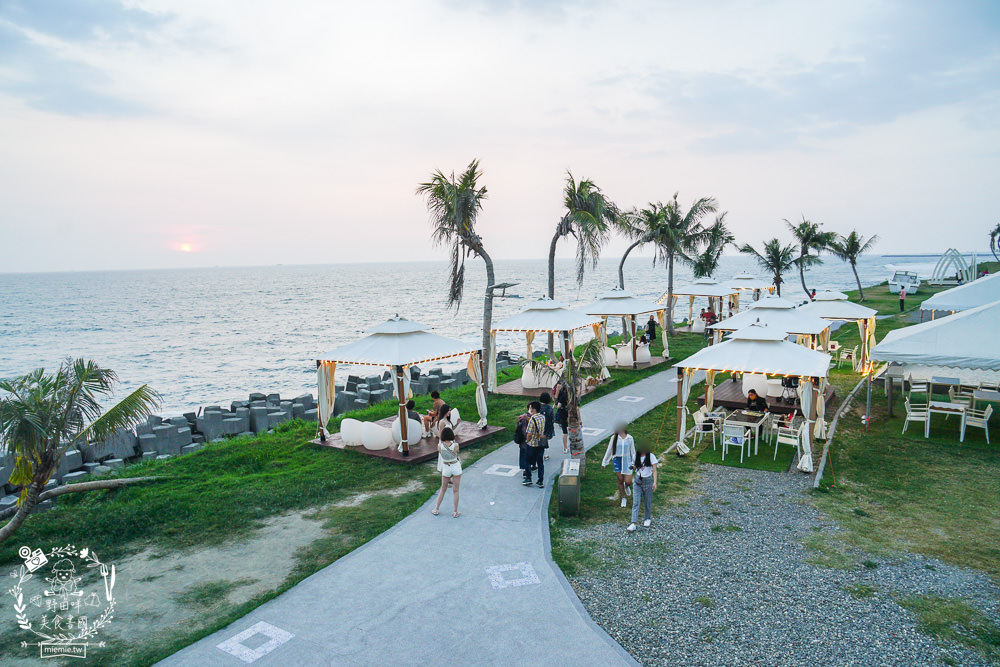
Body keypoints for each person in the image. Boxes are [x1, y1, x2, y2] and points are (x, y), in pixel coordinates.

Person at [601, 425, 635, 508]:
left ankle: (627, 486)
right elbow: (609, 450)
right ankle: (623, 498)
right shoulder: (614, 438)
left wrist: (634, 462)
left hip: (627, 460)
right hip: (617, 460)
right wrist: (604, 461)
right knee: (620, 479)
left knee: (628, 481)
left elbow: (633, 451)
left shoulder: (630, 438)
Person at [627, 444, 658, 532]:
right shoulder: (635, 456)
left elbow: (654, 470)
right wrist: (633, 467)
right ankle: (633, 523)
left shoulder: (651, 457)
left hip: (648, 481)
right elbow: (635, 467)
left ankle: (647, 518)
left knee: (647, 501)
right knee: (636, 502)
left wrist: (655, 482)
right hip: (637, 481)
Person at [432, 426, 462, 517]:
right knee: (456, 490)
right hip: (455, 466)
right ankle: (455, 511)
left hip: (446, 467)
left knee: (443, 489)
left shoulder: (440, 446)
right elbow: (457, 452)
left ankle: (436, 508)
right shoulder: (455, 445)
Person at [522, 401, 546, 487]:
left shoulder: (532, 419)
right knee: (540, 462)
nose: (530, 409)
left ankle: (528, 478)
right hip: (541, 443)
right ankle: (540, 481)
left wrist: (527, 441)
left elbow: (529, 434)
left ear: (534, 409)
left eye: (531, 408)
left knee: (528, 461)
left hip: (532, 444)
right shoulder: (543, 417)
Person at [554, 382, 570, 454]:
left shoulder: (563, 396)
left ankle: (565, 447)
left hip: (564, 414)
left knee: (564, 431)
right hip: (572, 414)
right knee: (572, 430)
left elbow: (558, 406)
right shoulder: (572, 396)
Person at [539, 392, 555, 461]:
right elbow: (552, 418)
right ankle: (546, 454)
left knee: (539, 439)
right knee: (546, 440)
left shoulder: (538, 407)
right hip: (547, 426)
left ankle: (539, 453)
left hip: (539, 425)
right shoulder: (549, 408)